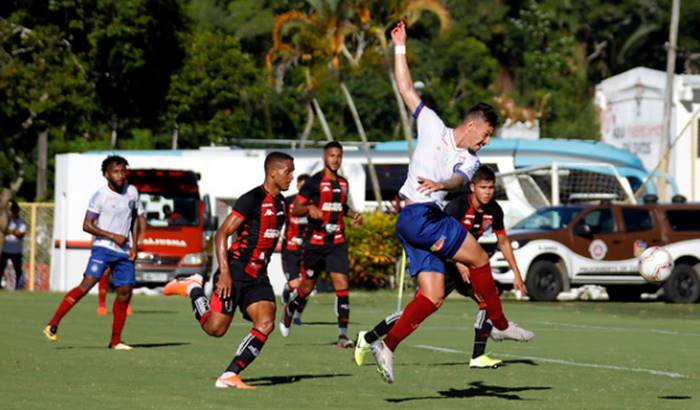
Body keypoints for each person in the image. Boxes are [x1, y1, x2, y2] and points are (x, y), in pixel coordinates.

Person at [367, 22, 533, 384]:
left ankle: (388, 346)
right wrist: (399, 47)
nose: (486, 142)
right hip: (421, 216)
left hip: (413, 223)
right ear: (473, 126)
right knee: (481, 259)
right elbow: (406, 88)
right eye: (487, 134)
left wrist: (443, 182)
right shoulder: (432, 125)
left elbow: (459, 179)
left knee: (434, 295)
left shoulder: (470, 160)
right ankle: (500, 325)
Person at [355, 165, 529, 369]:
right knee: (419, 309)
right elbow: (441, 240)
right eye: (483, 187)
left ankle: (478, 355)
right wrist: (460, 263)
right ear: (473, 187)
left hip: (467, 266)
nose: (488, 192)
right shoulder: (457, 207)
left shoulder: (495, 210)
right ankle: (367, 338)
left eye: (491, 187)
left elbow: (504, 241)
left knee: (486, 299)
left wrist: (517, 274)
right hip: (443, 265)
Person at [162, 152, 294, 389]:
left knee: (266, 323)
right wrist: (224, 273)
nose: (291, 177)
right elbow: (221, 233)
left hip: (258, 275)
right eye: (288, 171)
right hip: (234, 270)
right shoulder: (251, 199)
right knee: (215, 329)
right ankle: (193, 288)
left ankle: (230, 375)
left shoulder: (282, 204)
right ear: (273, 172)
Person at [43, 155, 145, 350]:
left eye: (123, 171)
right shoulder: (100, 196)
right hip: (103, 248)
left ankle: (115, 341)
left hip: (124, 251)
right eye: (116, 171)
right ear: (106, 174)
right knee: (87, 284)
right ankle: (53, 323)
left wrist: (135, 246)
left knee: (125, 293)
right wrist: (112, 236)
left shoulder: (132, 192)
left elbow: (134, 219)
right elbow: (87, 225)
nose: (120, 175)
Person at [279, 141, 363, 348]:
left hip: (336, 243)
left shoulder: (343, 183)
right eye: (332, 156)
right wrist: (309, 209)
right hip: (314, 244)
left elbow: (341, 206)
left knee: (342, 286)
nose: (335, 160)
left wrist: (354, 215)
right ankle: (290, 310)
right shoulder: (313, 183)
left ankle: (343, 336)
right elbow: (296, 208)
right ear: (324, 158)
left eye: (339, 156)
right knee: (306, 288)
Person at [280, 173, 310, 325]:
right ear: (297, 185)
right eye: (301, 185)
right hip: (290, 249)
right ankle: (288, 290)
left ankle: (297, 315)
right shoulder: (288, 201)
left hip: (308, 250)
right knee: (296, 285)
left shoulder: (314, 203)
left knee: (306, 287)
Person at [1, 201, 27, 289]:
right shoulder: (7, 221)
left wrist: (9, 231)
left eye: (15, 210)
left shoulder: (22, 222)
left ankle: (19, 288)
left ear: (18, 211)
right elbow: (3, 231)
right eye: (12, 210)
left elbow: (20, 234)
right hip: (5, 250)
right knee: (1, 269)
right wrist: (13, 231)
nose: (13, 212)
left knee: (18, 271)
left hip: (16, 251)